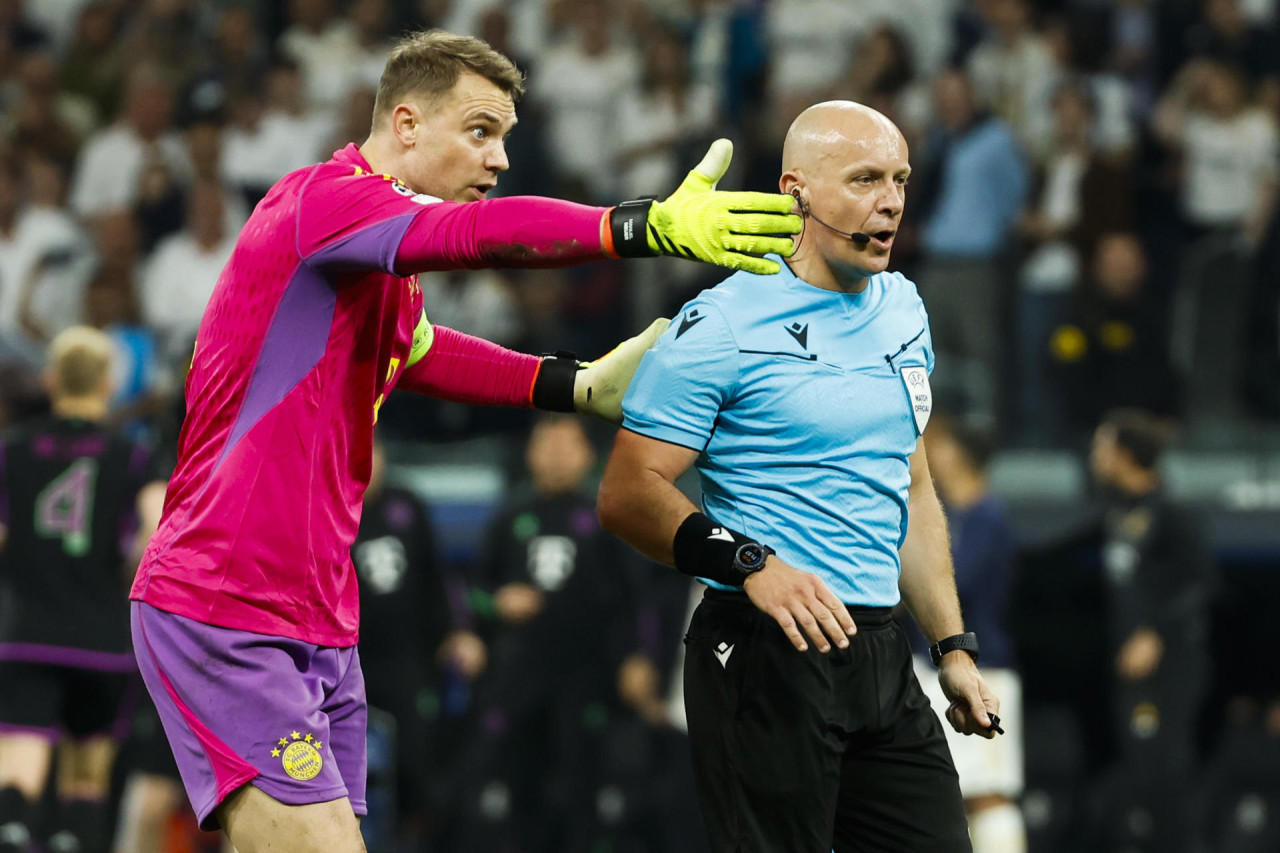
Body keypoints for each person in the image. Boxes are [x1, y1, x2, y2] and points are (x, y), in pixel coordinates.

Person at [127, 29, 801, 853]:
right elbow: (478, 239)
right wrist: (640, 225)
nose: (501, 158)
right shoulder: (321, 202)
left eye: (508, 136)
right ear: (405, 124)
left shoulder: (372, 265)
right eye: (481, 131)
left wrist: (575, 384)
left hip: (316, 614)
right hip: (225, 598)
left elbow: (424, 351)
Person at [598, 100, 1000, 853]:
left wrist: (951, 647)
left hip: (881, 652)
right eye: (865, 179)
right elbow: (627, 492)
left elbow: (910, 487)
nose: (891, 200)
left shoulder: (904, 308)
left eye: (901, 179)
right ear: (797, 193)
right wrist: (749, 562)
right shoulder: (719, 324)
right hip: (764, 650)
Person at [446, 414, 634, 852]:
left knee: (583, 785)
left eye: (566, 445)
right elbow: (472, 593)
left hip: (587, 676)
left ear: (588, 454)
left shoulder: (609, 514)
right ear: (529, 453)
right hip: (519, 677)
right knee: (518, 784)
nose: (554, 455)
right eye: (545, 445)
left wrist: (636, 658)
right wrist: (497, 605)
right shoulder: (510, 514)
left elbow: (632, 599)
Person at [0, 326, 151, 853]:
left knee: (19, 767)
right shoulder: (130, 456)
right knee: (86, 777)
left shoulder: (13, 450)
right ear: (109, 384)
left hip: (26, 631)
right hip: (101, 637)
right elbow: (155, 525)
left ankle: (15, 836)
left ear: (49, 380)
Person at [1084, 408, 1214, 853]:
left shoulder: (1173, 513)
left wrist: (1155, 632)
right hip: (1129, 666)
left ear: (1124, 453)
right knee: (1136, 767)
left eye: (1102, 445)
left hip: (1171, 664)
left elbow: (1202, 582)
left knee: (1167, 766)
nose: (1093, 455)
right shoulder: (1115, 512)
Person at [907, 415, 1026, 852]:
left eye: (935, 444)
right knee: (940, 792)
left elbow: (958, 584)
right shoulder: (947, 514)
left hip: (983, 668)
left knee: (986, 791)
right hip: (931, 665)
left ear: (955, 453)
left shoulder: (987, 515)